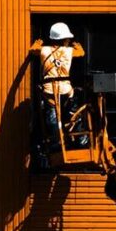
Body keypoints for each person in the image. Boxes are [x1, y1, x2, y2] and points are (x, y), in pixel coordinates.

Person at [30, 22, 87, 151]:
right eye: (67, 39)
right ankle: (78, 135)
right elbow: (81, 52)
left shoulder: (44, 50)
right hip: (66, 89)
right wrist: (76, 44)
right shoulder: (69, 51)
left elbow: (32, 51)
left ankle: (57, 141)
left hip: (49, 89)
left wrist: (38, 43)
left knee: (52, 115)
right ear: (63, 39)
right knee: (74, 112)